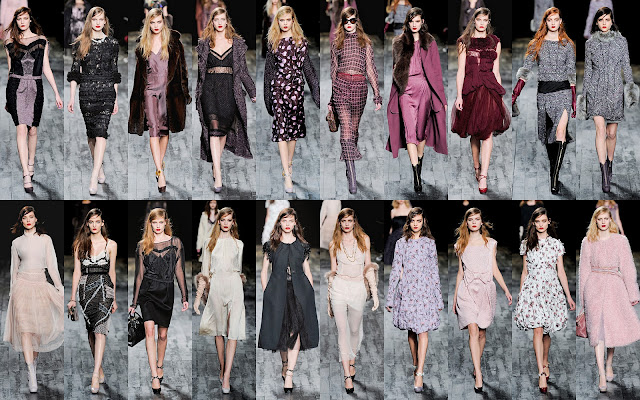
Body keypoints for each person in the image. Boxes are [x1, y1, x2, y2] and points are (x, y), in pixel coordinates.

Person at [512, 7, 576, 195]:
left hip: (563, 92)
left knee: (560, 132)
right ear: (545, 22)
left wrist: (573, 100)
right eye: (550, 20)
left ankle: (554, 179)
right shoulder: (537, 44)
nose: (553, 23)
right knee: (549, 137)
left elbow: (571, 73)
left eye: (556, 19)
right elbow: (526, 69)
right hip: (544, 95)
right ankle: (553, 167)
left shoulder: (568, 44)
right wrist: (515, 93)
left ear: (560, 21)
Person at [578, 206, 640, 393]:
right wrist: (582, 302)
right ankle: (601, 374)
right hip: (594, 287)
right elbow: (583, 271)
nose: (603, 222)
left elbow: (628, 267)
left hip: (614, 287)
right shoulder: (588, 241)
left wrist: (633, 293)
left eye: (606, 218)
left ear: (610, 220)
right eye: (600, 219)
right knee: (597, 332)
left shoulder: (620, 240)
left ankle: (609, 363)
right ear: (595, 221)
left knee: (611, 328)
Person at [514, 207, 575, 394]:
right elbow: (524, 271)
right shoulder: (527, 244)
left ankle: (545, 361)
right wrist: (521, 294)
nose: (541, 224)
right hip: (533, 290)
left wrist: (568, 296)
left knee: (547, 331)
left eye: (544, 221)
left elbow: (561, 271)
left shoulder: (556, 244)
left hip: (551, 290)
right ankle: (541, 372)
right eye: (537, 221)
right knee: (537, 329)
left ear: (549, 222)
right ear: (533, 223)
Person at [129, 8, 190, 194]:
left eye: (159, 22)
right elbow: (138, 76)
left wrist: (185, 92)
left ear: (164, 22)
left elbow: (182, 70)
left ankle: (159, 164)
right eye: (152, 22)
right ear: (148, 24)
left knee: (165, 130)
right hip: (149, 91)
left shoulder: (173, 43)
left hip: (168, 92)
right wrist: (136, 98)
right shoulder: (143, 45)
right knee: (153, 129)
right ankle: (159, 171)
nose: (156, 26)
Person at [3, 206, 63, 393]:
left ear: (36, 219)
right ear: (21, 221)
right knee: (26, 330)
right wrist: (12, 293)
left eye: (31, 217)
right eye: (25, 218)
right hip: (22, 286)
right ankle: (31, 372)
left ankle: (33, 366)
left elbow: (52, 266)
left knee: (36, 331)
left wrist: (59, 287)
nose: (28, 220)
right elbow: (14, 269)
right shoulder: (16, 243)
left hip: (40, 285)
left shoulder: (45, 239)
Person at [387, 7, 447, 193]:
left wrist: (442, 98)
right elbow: (395, 70)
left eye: (417, 21)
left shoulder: (429, 42)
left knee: (421, 132)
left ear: (422, 22)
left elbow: (436, 72)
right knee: (409, 132)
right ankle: (416, 177)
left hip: (424, 89)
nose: (414, 24)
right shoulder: (398, 42)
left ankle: (419, 162)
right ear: (407, 22)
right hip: (405, 90)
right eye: (411, 21)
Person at [128, 208, 188, 394]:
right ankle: (154, 375)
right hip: (148, 292)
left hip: (166, 292)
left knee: (162, 335)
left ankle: (160, 364)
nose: (158, 226)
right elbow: (139, 275)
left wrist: (184, 296)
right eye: (155, 222)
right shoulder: (143, 245)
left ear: (166, 223)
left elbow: (179, 270)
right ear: (150, 224)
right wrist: (134, 303)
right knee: (149, 331)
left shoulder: (175, 242)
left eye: (161, 222)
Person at [578, 7, 638, 193]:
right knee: (600, 129)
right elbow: (588, 71)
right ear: (596, 23)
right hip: (596, 90)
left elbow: (626, 66)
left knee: (611, 134)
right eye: (601, 20)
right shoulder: (590, 43)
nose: (604, 23)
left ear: (612, 21)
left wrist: (630, 87)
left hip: (615, 90)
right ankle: (604, 173)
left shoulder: (621, 41)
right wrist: (584, 96)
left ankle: (609, 164)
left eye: (607, 19)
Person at [259, 208, 319, 394]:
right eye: (284, 220)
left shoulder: (302, 245)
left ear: (295, 223)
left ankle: (290, 374)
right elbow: (264, 271)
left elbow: (307, 270)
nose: (287, 224)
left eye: (290, 221)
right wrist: (267, 293)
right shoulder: (271, 245)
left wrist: (310, 293)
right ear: (279, 223)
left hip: (299, 292)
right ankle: (285, 363)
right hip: (277, 292)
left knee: (295, 330)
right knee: (282, 330)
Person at [196, 7, 256, 192]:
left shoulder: (237, 44)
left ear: (227, 21)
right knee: (214, 128)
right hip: (209, 89)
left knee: (223, 129)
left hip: (229, 90)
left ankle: (216, 164)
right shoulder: (205, 43)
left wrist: (252, 91)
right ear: (212, 22)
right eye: (216, 20)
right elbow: (200, 73)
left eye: (223, 19)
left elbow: (243, 71)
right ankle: (218, 172)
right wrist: (198, 94)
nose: (220, 23)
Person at [4, 7, 63, 194]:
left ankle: (31, 163)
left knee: (33, 129)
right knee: (21, 128)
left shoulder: (41, 41)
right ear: (16, 21)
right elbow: (10, 71)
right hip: (15, 87)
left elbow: (46, 68)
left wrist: (57, 93)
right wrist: (8, 99)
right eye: (19, 19)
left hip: (36, 87)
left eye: (25, 18)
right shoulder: (10, 42)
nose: (22, 22)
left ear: (30, 20)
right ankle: (26, 174)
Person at [452, 208, 511, 393]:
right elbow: (460, 272)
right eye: (471, 219)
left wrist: (506, 289)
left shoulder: (490, 243)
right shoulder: (460, 244)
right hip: (467, 290)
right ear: (466, 223)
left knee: (482, 333)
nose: (474, 222)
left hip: (485, 290)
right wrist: (454, 298)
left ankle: (476, 364)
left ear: (481, 222)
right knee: (473, 329)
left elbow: (494, 268)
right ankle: (478, 373)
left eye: (477, 219)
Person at [451, 7, 510, 194]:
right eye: (479, 20)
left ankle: (483, 175)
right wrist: (459, 96)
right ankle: (476, 167)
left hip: (490, 89)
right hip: (471, 89)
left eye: (485, 20)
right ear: (474, 21)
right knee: (475, 132)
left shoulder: (495, 42)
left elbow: (496, 71)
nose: (482, 23)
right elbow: (461, 71)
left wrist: (499, 94)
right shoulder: (464, 42)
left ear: (488, 21)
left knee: (488, 133)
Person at [386, 207, 443, 393]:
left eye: (419, 220)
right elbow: (396, 270)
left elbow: (434, 271)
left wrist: (438, 298)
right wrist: (390, 298)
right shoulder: (401, 243)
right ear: (408, 222)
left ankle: (419, 372)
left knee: (423, 332)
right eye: (413, 221)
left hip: (425, 292)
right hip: (408, 291)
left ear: (423, 221)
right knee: (411, 331)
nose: (416, 224)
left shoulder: (429, 243)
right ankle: (416, 363)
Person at [264, 6, 320, 193]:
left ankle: (288, 164)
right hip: (278, 89)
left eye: (288, 20)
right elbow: (269, 71)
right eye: (282, 20)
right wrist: (267, 97)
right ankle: (287, 174)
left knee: (293, 131)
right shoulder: (273, 42)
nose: (285, 23)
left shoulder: (300, 42)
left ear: (293, 21)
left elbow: (308, 69)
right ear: (277, 21)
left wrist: (317, 94)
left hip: (296, 89)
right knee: (281, 130)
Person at [67, 6, 120, 196]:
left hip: (107, 92)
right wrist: (71, 97)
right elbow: (75, 73)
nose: (98, 23)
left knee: (101, 133)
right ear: (89, 21)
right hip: (87, 93)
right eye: (94, 19)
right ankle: (100, 168)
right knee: (91, 135)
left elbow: (114, 73)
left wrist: (115, 99)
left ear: (105, 22)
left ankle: (93, 176)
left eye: (101, 19)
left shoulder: (113, 44)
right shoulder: (81, 43)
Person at [193, 207, 245, 394]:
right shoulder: (209, 243)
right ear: (219, 221)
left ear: (233, 222)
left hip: (234, 286)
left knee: (232, 331)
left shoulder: (239, 244)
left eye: (229, 220)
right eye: (223, 220)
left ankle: (227, 375)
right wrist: (198, 299)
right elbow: (204, 274)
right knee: (218, 331)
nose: (225, 223)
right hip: (216, 287)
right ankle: (222, 367)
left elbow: (239, 270)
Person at [326, 208, 379, 394]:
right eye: (343, 221)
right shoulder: (334, 243)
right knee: (342, 331)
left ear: (354, 221)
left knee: (354, 330)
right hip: (339, 288)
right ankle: (347, 375)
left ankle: (352, 361)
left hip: (357, 288)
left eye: (349, 220)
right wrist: (329, 299)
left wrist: (374, 293)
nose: (347, 224)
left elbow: (368, 267)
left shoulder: (364, 239)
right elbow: (333, 272)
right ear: (339, 223)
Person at [329, 7, 381, 194]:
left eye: (352, 20)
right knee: (346, 129)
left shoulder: (365, 42)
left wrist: (377, 95)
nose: (349, 24)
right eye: (346, 21)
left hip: (360, 87)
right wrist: (331, 100)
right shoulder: (336, 43)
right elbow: (334, 71)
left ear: (357, 21)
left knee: (354, 130)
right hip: (341, 86)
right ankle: (352, 175)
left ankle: (348, 160)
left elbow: (370, 69)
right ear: (342, 23)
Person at [67, 208, 118, 394]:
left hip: (104, 288)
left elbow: (112, 272)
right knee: (91, 331)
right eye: (91, 222)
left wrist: (114, 298)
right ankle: (100, 367)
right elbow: (76, 272)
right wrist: (72, 298)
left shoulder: (111, 244)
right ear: (87, 224)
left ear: (102, 223)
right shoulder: (79, 244)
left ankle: (95, 374)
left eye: (98, 221)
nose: (95, 225)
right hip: (85, 289)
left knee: (100, 330)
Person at [383, 200, 411, 265]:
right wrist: (390, 235)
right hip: (395, 234)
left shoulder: (411, 210)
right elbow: (392, 225)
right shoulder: (393, 211)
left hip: (407, 233)